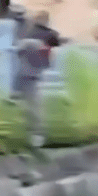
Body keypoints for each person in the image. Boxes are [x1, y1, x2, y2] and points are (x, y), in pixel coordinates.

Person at [13, 11, 63, 146]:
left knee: (23, 105)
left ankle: (27, 134)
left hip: (21, 75)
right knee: (34, 106)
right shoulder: (48, 36)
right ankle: (36, 135)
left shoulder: (24, 35)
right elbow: (55, 45)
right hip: (33, 75)